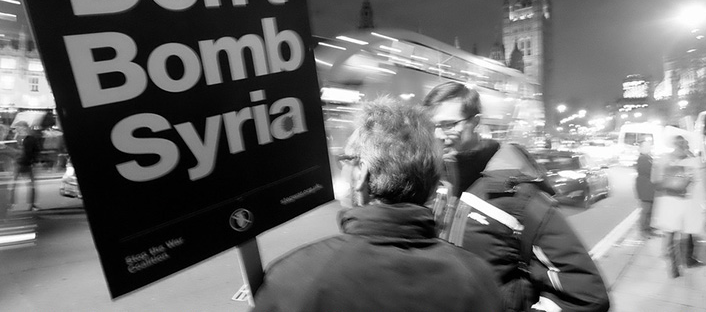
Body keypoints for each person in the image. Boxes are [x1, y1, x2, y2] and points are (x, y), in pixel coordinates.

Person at [251, 97, 503, 312]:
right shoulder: (477, 278)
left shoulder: (296, 278)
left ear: (362, 173)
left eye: (347, 159)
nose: (343, 167)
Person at [422, 80, 610, 312]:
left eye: (449, 124)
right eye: (432, 126)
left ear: (476, 122)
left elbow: (587, 293)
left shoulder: (517, 192)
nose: (438, 135)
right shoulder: (436, 185)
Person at [651, 135, 706, 278]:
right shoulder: (690, 159)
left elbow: (656, 181)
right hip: (683, 200)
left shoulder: (665, 159)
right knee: (683, 233)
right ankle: (683, 262)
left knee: (670, 234)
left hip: (670, 200)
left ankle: (674, 267)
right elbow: (697, 180)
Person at [10, 120, 41, 210]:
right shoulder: (14, 138)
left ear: (24, 127)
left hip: (26, 163)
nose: (17, 129)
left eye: (18, 127)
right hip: (17, 164)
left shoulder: (30, 138)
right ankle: (11, 204)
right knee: (14, 185)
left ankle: (31, 204)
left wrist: (34, 160)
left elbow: (36, 150)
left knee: (30, 185)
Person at [634, 140, 657, 238]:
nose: (649, 148)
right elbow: (648, 171)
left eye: (649, 146)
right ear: (641, 148)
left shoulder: (648, 157)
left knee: (650, 209)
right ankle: (643, 230)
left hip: (649, 187)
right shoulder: (643, 158)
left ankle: (648, 228)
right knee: (646, 209)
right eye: (647, 146)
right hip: (645, 187)